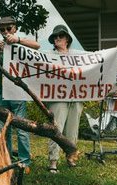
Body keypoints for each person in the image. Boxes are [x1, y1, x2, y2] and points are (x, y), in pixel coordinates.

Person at [0, 16, 40, 171]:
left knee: (22, 129)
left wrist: (18, 40)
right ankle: (7, 160)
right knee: (3, 128)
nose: (5, 32)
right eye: (2, 30)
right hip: (1, 93)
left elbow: (37, 46)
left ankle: (24, 162)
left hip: (18, 92)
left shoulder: (22, 42)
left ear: (15, 28)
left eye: (8, 28)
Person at [46, 24, 84, 173]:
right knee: (56, 129)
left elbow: (98, 57)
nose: (57, 39)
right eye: (55, 37)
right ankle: (53, 161)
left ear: (67, 39)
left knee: (72, 130)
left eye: (60, 36)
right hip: (58, 97)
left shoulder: (77, 55)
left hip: (76, 97)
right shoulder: (48, 55)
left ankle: (71, 157)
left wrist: (115, 51)